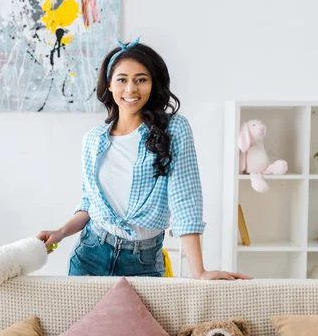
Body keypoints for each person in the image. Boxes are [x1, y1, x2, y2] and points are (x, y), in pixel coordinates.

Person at [37, 37, 250, 280]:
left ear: (153, 84)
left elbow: (185, 200)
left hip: (143, 262)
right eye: (122, 80)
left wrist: (199, 272)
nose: (131, 89)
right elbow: (89, 203)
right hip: (89, 256)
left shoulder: (174, 129)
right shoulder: (93, 139)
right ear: (109, 85)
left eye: (141, 80)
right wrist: (61, 232)